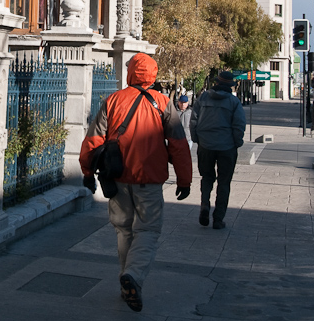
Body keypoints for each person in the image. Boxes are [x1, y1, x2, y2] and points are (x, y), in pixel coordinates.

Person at [79, 53, 192, 313]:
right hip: (149, 180)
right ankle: (134, 276)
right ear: (152, 75)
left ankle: (126, 281)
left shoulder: (113, 101)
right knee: (148, 231)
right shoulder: (164, 103)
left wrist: (87, 172)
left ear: (131, 73)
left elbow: (93, 140)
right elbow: (178, 145)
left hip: (117, 178)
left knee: (124, 230)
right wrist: (184, 179)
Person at [190, 71, 246, 230]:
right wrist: (236, 142)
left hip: (206, 145)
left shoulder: (203, 98)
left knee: (206, 177)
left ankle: (204, 205)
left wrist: (197, 139)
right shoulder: (234, 102)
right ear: (230, 85)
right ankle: (218, 218)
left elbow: (193, 120)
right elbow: (239, 125)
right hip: (226, 147)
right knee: (224, 182)